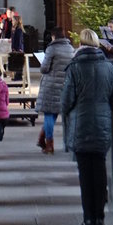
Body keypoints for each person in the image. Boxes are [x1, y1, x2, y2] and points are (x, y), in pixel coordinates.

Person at [60, 27, 113, 225]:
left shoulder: (75, 68)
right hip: (102, 125)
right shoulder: (110, 68)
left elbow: (66, 100)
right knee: (100, 170)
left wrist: (67, 113)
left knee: (85, 175)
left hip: (81, 124)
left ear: (80, 44)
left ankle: (89, 220)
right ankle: (100, 218)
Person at [35, 25, 74, 153]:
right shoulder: (70, 49)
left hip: (51, 85)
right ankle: (41, 139)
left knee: (48, 114)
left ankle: (49, 144)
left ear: (54, 36)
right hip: (64, 85)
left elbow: (44, 68)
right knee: (54, 113)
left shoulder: (52, 49)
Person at [8, 11, 25, 81]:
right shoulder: (14, 29)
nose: (12, 22)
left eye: (13, 21)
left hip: (18, 48)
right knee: (15, 63)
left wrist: (17, 48)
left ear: (16, 21)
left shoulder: (19, 29)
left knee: (18, 63)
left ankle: (19, 77)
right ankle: (16, 76)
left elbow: (19, 40)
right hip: (15, 48)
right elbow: (14, 38)